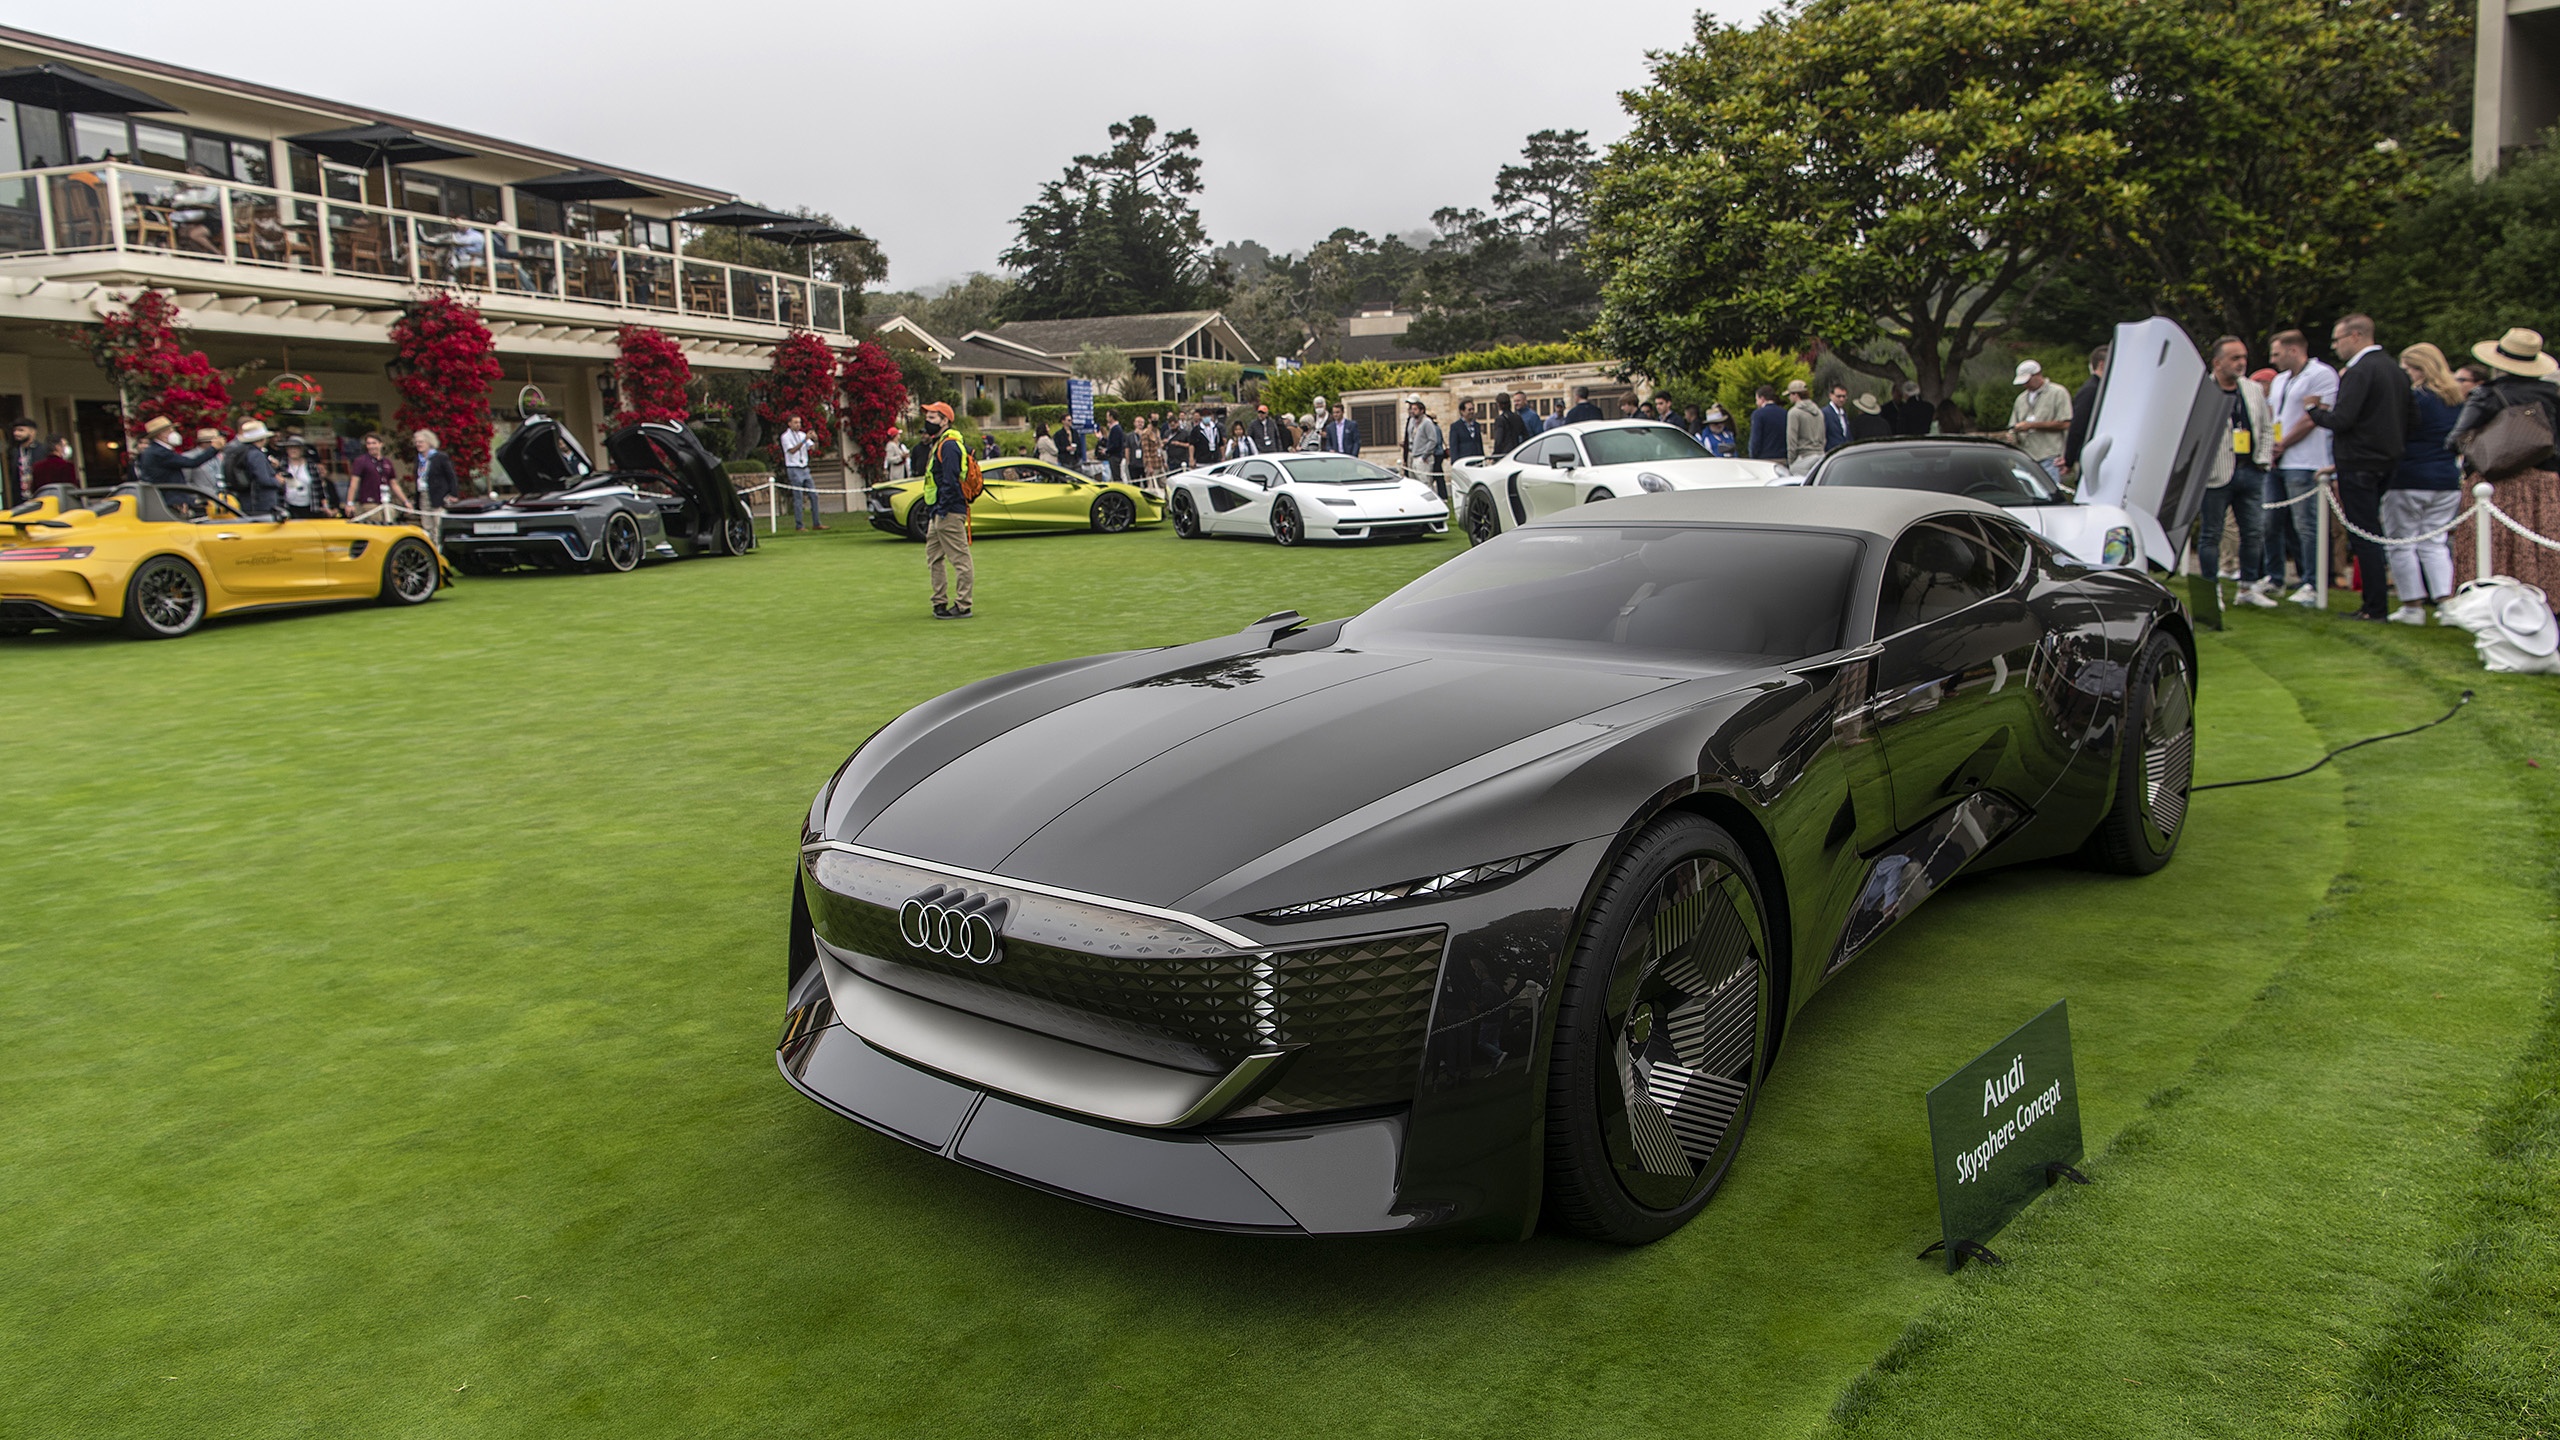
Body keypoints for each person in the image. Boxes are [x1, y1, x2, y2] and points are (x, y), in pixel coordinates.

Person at [2302, 313, 2410, 621]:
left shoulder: (2359, 372)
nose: (2335, 346)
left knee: (2364, 536)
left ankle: (2374, 607)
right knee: (2372, 532)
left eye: (2337, 339)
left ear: (2355, 336)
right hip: (2388, 461)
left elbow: (2342, 420)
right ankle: (2376, 603)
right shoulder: (2395, 370)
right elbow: (2411, 419)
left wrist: (2314, 410)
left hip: (2359, 462)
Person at [2449, 326, 2560, 606]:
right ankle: (2546, 607)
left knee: (2494, 550)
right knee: (2541, 550)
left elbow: (2455, 440)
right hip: (2544, 485)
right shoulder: (2553, 395)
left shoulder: (2487, 394)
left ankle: (2491, 609)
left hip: (2496, 484)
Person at [2385, 342, 2465, 624]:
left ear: (2418, 368)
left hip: (2410, 476)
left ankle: (2412, 605)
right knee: (2435, 542)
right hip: (2446, 479)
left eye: (2407, 368)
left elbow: (2397, 435)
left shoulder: (2414, 399)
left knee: (2401, 542)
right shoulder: (2456, 400)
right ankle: (2446, 605)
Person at [2199, 336, 2277, 608]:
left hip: (2250, 470)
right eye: (2235, 358)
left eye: (2243, 357)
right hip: (2216, 474)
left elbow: (2266, 427)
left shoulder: (2253, 389)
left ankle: (2247, 588)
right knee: (2212, 534)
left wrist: (2263, 461)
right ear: (2217, 362)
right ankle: (2211, 592)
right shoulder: (2202, 391)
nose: (2241, 363)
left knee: (2254, 532)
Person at [2264, 329, 2339, 603]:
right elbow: (2274, 414)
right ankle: (2275, 577)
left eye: (2277, 353)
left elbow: (2314, 417)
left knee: (2305, 524)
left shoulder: (2321, 374)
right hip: (2277, 459)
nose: (2273, 360)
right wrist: (2271, 446)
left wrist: (2283, 444)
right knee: (2270, 521)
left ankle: (2312, 581)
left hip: (2305, 460)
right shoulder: (2280, 380)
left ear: (2293, 350)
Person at [915, 402, 973, 619]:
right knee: (934, 558)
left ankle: (964, 604)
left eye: (932, 417)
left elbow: (951, 480)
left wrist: (942, 509)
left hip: (947, 510)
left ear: (945, 420)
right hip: (937, 511)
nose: (927, 422)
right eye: (927, 417)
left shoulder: (948, 445)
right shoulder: (940, 443)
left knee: (960, 559)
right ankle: (939, 601)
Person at [2004, 359, 2073, 482]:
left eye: (2027, 381)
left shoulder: (2058, 392)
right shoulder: (2021, 399)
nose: (2025, 385)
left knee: (2050, 495)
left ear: (2038, 375)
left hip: (2049, 455)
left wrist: (2032, 425)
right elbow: (2013, 424)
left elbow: (2065, 423)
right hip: (2025, 457)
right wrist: (2012, 434)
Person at [134, 416, 215, 493]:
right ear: (160, 435)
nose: (174, 433)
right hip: (171, 499)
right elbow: (192, 462)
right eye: (170, 430)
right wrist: (214, 448)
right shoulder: (160, 452)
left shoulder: (154, 450)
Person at [2063, 344, 2108, 481]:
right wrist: (2069, 459)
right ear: (2102, 364)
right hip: (2089, 455)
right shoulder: (2091, 390)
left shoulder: (2101, 388)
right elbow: (2077, 426)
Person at [227, 420, 283, 513]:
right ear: (262, 439)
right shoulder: (256, 454)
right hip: (261, 502)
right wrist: (277, 481)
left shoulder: (244, 451)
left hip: (249, 499)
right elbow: (263, 479)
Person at [779, 414, 823, 531]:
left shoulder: (802, 435)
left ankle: (816, 523)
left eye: (799, 422)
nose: (798, 425)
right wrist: (805, 441)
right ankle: (799, 525)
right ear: (789, 424)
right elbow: (792, 450)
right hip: (794, 468)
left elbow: (813, 448)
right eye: (795, 422)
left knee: (813, 495)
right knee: (798, 498)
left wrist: (815, 439)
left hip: (805, 468)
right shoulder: (785, 436)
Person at [349, 432, 402, 517]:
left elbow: (394, 484)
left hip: (386, 501)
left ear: (381, 444)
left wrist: (405, 501)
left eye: (374, 443)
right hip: (369, 502)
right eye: (368, 444)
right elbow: (354, 483)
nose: (371, 446)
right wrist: (350, 502)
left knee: (390, 522)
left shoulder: (387, 462)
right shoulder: (361, 461)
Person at [1403, 395, 1445, 498]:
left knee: (1425, 483)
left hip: (1422, 457)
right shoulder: (1411, 421)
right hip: (1412, 455)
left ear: (1421, 410)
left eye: (1415, 409)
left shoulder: (1427, 422)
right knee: (1413, 483)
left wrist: (1425, 455)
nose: (1412, 411)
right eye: (1411, 408)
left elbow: (1433, 440)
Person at [278, 439, 330, 517]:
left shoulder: (311, 465)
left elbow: (319, 488)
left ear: (302, 450)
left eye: (296, 448)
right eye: (290, 448)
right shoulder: (281, 464)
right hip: (287, 506)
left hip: (309, 506)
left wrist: (326, 507)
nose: (293, 450)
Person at [412, 428, 457, 511]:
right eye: (416, 442)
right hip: (423, 494)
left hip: (438, 496)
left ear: (429, 442)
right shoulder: (418, 459)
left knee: (438, 521)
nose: (418, 444)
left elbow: (451, 476)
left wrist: (453, 494)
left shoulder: (440, 457)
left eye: (421, 442)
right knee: (426, 521)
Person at [1785, 379, 1825, 472]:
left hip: (1803, 457)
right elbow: (1823, 437)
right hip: (1820, 456)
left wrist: (1791, 461)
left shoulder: (1794, 412)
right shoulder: (1819, 412)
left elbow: (1791, 439)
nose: (1789, 398)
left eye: (1790, 395)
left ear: (1795, 395)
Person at [1748, 385, 1788, 462]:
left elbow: (1755, 439)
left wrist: (1753, 455)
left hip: (1765, 459)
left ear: (1762, 399)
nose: (1756, 403)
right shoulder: (1784, 413)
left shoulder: (1758, 414)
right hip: (1782, 457)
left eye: (1757, 399)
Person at [5, 416, 39, 503]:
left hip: (39, 498)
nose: (16, 433)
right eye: (15, 430)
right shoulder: (14, 452)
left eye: (21, 430)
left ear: (32, 432)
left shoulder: (42, 450)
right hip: (20, 501)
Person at [185, 427, 227, 493]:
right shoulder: (189, 457)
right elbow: (185, 482)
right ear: (207, 442)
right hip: (202, 499)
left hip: (222, 499)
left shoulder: (221, 456)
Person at [1448, 398, 1484, 464]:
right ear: (1462, 411)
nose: (1472, 412)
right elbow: (1454, 446)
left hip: (1477, 462)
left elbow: (1479, 444)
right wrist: (1455, 462)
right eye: (1469, 410)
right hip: (1464, 462)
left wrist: (1482, 459)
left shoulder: (1476, 425)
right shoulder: (1456, 427)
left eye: (1473, 409)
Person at [1821, 384, 1853, 451]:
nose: (1841, 399)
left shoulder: (1843, 414)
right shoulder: (1825, 413)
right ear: (1831, 396)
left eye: (1844, 396)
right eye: (1838, 396)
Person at [1101, 410, 1128, 482]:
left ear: (1111, 417)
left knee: (1117, 476)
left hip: (1115, 456)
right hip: (1115, 455)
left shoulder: (1116, 429)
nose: (1106, 418)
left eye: (1107, 416)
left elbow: (1115, 444)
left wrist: (1107, 450)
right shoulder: (1115, 428)